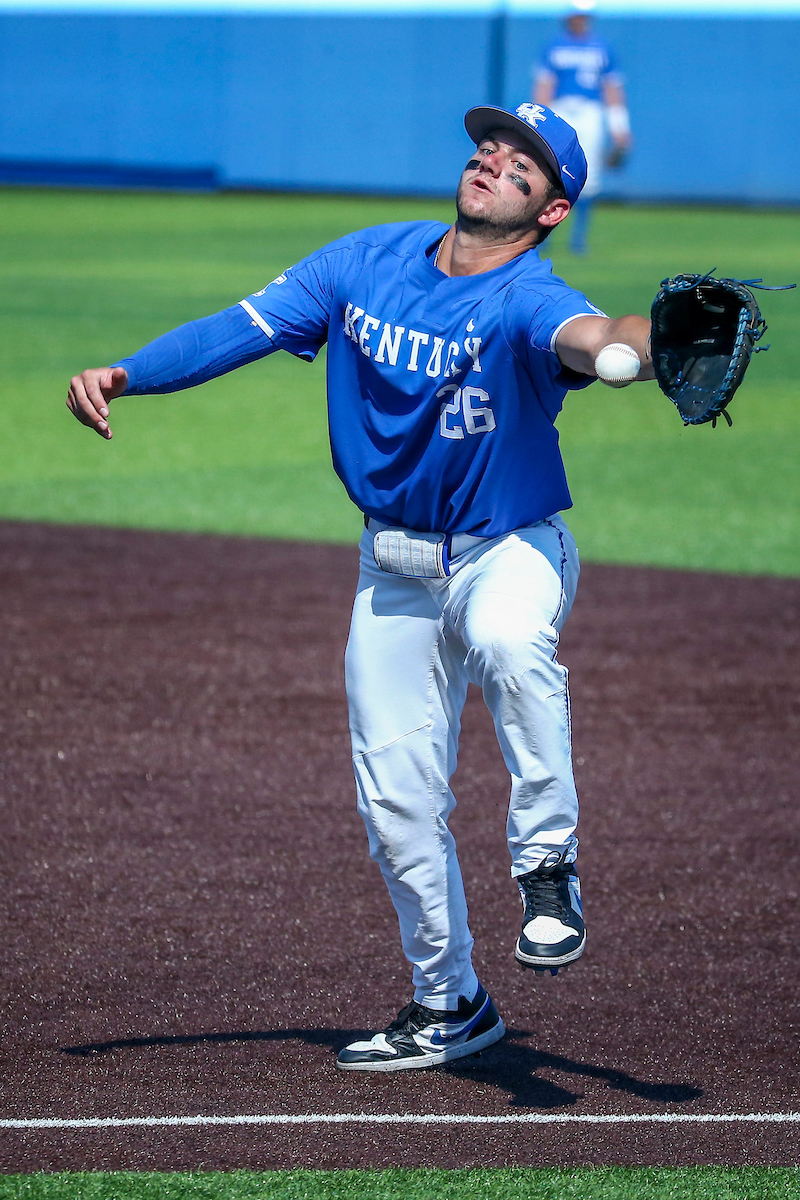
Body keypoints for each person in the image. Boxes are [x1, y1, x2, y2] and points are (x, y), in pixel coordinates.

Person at [67, 101, 653, 1073]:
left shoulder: (526, 298)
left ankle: (546, 866)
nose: (494, 160)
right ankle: (450, 999)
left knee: (512, 643)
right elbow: (240, 328)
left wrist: (638, 345)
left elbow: (595, 334)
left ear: (550, 211)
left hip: (505, 549)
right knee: (394, 803)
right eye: (490, 146)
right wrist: (131, 373)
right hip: (392, 569)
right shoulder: (363, 262)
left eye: (524, 165)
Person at [534, 0, 632, 253]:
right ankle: (542, 233)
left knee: (590, 174)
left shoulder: (602, 47)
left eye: (584, 16)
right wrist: (538, 117)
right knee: (550, 170)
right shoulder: (554, 46)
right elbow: (545, 85)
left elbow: (612, 88)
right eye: (577, 15)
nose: (580, 20)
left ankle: (579, 238)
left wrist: (619, 126)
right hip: (562, 108)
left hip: (590, 111)